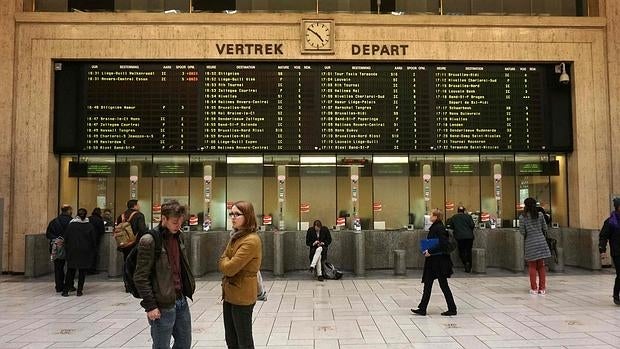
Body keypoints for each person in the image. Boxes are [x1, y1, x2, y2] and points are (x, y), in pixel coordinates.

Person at [133, 200, 195, 349]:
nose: (178, 226)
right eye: (174, 222)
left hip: (180, 300)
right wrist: (150, 305)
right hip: (162, 304)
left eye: (180, 222)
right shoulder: (149, 240)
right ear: (163, 218)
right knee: (161, 345)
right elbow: (140, 277)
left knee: (184, 343)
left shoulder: (179, 237)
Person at [218, 201, 262, 349]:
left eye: (237, 214)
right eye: (231, 214)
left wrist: (225, 261)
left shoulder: (251, 240)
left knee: (244, 341)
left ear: (247, 216)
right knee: (231, 339)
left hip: (242, 296)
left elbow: (229, 268)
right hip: (229, 294)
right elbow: (224, 260)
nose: (233, 217)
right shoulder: (236, 236)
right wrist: (226, 261)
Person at [412, 209, 457, 316]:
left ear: (436, 217)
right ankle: (422, 308)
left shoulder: (439, 228)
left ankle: (452, 308)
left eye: (431, 215)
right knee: (428, 284)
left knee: (443, 285)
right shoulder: (436, 227)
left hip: (439, 262)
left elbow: (442, 244)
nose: (429, 216)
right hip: (434, 261)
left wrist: (430, 251)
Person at [520, 197, 551, 296]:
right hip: (541, 241)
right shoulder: (540, 215)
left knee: (532, 266)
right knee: (541, 266)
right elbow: (545, 228)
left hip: (530, 243)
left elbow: (522, 231)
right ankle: (542, 289)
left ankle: (534, 288)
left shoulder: (523, 217)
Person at [62, 208, 97, 297]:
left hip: (72, 250)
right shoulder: (89, 225)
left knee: (70, 271)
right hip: (85, 251)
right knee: (82, 272)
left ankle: (66, 290)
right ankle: (79, 291)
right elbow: (93, 240)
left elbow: (66, 238)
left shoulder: (71, 225)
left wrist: (67, 248)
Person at [117, 199, 148, 291]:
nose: (139, 206)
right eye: (138, 204)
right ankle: (135, 285)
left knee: (127, 263)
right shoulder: (139, 215)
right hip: (135, 244)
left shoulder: (121, 216)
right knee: (136, 264)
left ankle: (127, 285)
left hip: (124, 244)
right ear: (135, 206)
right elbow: (142, 230)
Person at [46, 204, 74, 293]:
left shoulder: (54, 221)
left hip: (57, 247)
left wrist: (57, 239)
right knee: (71, 267)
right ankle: (69, 285)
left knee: (58, 267)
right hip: (70, 247)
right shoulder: (72, 222)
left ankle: (59, 286)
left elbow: (48, 234)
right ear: (69, 210)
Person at [598, 197, 620, 305]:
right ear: (618, 208)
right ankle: (616, 295)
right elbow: (603, 236)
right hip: (617, 252)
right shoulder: (611, 222)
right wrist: (602, 248)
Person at [446, 206, 475, 272]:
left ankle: (465, 263)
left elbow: (450, 227)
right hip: (469, 237)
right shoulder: (468, 216)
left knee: (461, 251)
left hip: (460, 237)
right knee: (468, 251)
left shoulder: (454, 217)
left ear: (458, 211)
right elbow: (472, 225)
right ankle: (469, 265)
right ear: (464, 211)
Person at [88, 207, 105, 274]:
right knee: (94, 254)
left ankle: (87, 269)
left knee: (88, 254)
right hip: (96, 239)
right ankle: (92, 269)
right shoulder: (99, 220)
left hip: (87, 239)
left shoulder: (88, 218)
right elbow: (102, 230)